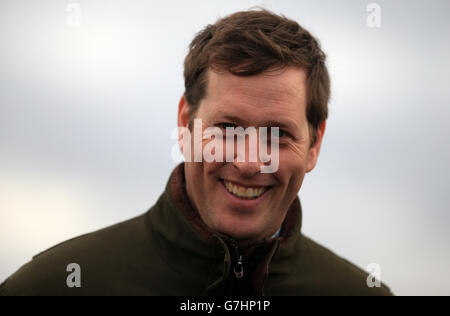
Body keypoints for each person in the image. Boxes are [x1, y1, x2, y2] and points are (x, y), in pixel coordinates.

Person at [0, 9, 393, 296]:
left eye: (277, 136)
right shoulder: (52, 286)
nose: (249, 162)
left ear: (315, 144)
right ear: (186, 121)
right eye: (227, 129)